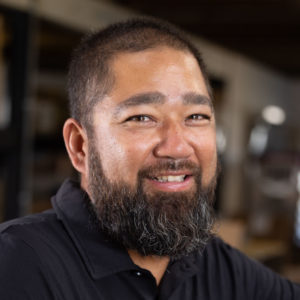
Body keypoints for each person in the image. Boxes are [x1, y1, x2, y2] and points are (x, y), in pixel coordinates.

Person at [0, 17, 299, 300]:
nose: (177, 147)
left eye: (196, 116)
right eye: (142, 117)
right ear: (80, 146)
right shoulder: (17, 265)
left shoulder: (218, 267)